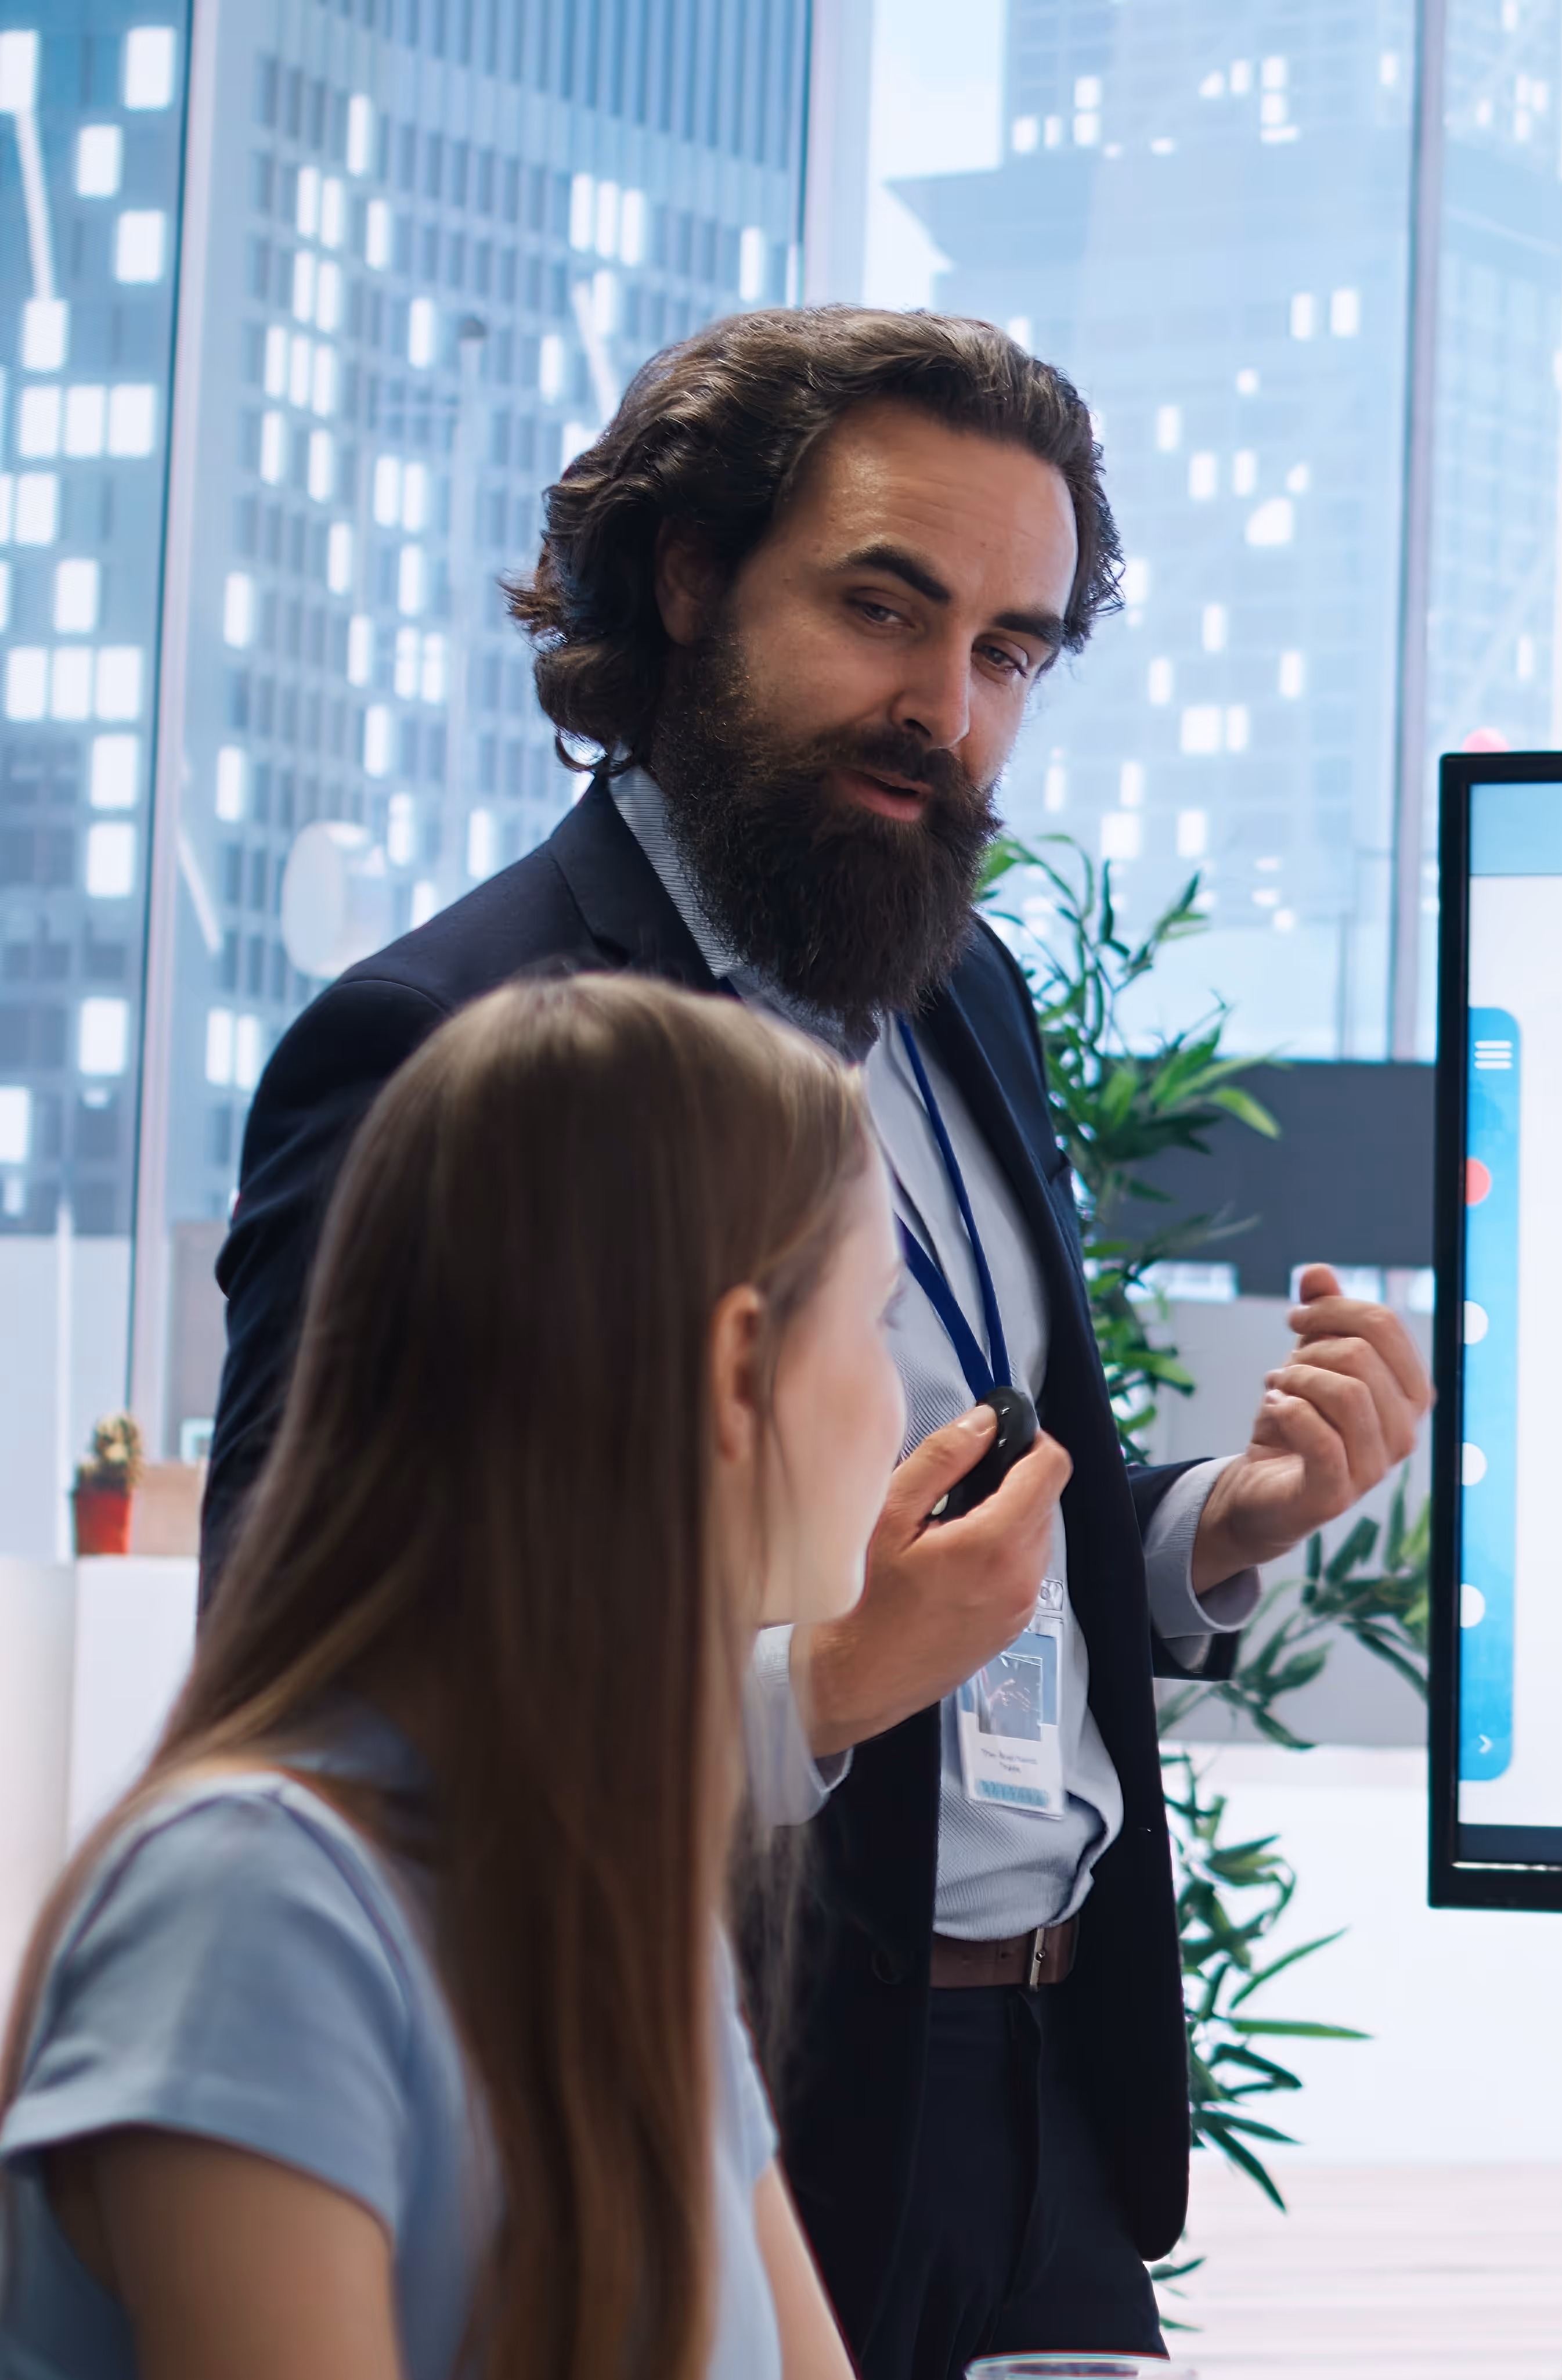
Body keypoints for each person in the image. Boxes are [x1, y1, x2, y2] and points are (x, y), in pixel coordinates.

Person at [199, 308, 1434, 2377]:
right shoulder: (452, 1045)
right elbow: (302, 1660)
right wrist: (823, 1687)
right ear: (686, 579)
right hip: (702, 2108)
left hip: (1051, 2106)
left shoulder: (966, 995)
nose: (947, 705)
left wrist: (1213, 1524)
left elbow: (945, 1504)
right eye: (884, 605)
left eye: (1013, 650)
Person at [2, 974, 900, 2378]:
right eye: (879, 1321)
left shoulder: (610, 1911)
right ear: (738, 1370)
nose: (905, 1399)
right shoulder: (258, 1914)